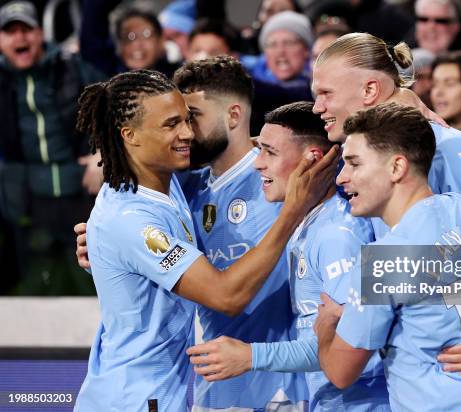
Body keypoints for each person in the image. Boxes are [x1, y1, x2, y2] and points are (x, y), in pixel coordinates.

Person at [311, 32, 461, 409]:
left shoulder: (457, 151)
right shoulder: (368, 162)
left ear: (369, 90)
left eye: (325, 93)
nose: (317, 106)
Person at [72, 69, 337, 411]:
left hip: (172, 390)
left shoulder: (169, 184)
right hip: (136, 397)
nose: (187, 133)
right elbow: (225, 295)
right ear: (130, 135)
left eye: (189, 119)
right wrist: (291, 213)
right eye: (172, 124)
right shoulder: (132, 219)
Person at [187, 102, 391, 411]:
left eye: (269, 152)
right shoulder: (310, 223)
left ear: (313, 159)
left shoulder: (337, 235)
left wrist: (250, 356)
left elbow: (350, 346)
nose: (258, 164)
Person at [174, 57, 307, 411]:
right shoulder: (185, 190)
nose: (184, 131)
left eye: (194, 117)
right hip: (215, 388)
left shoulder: (284, 180)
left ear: (233, 116)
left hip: (284, 390)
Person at [0, 0, 106, 295]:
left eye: (27, 30)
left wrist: (104, 155)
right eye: (10, 31)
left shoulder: (72, 68)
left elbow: (116, 108)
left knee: (91, 282)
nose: (20, 38)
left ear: (40, 34)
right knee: (37, 288)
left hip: (83, 197)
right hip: (30, 204)